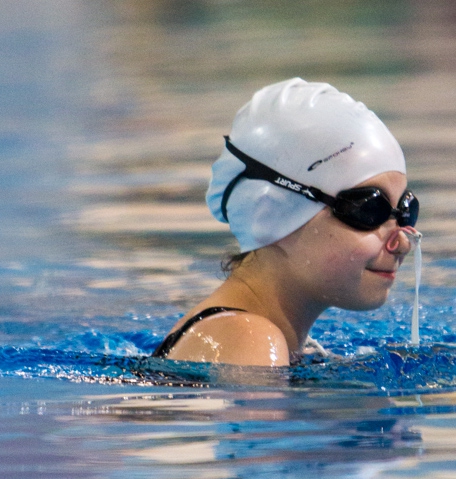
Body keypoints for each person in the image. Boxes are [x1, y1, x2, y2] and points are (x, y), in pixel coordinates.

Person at [152, 78, 419, 367]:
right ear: (270, 215)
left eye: (406, 210)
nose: (403, 241)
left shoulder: (247, 336)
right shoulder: (250, 339)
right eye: (369, 210)